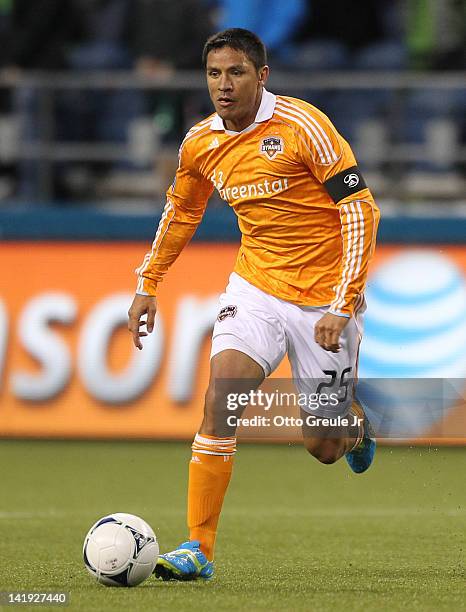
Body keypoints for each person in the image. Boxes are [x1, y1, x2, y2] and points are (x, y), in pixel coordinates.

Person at [127, 28, 380, 581]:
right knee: (221, 398)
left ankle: (356, 428)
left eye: (236, 72)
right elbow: (182, 212)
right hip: (256, 288)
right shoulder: (200, 143)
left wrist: (344, 302)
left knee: (324, 446)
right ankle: (198, 548)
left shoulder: (303, 127)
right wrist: (149, 282)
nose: (223, 85)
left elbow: (361, 210)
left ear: (261, 76)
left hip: (324, 300)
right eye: (214, 74)